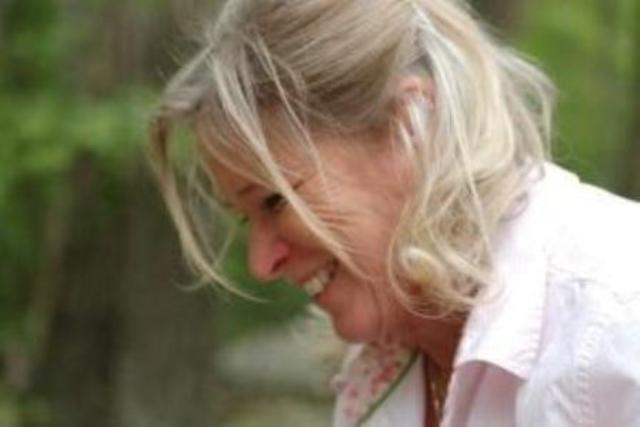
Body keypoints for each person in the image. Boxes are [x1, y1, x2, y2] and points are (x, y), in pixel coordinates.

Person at [149, 0, 640, 425]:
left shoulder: (614, 325)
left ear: (413, 124)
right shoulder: (382, 366)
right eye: (245, 218)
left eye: (276, 200)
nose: (261, 263)